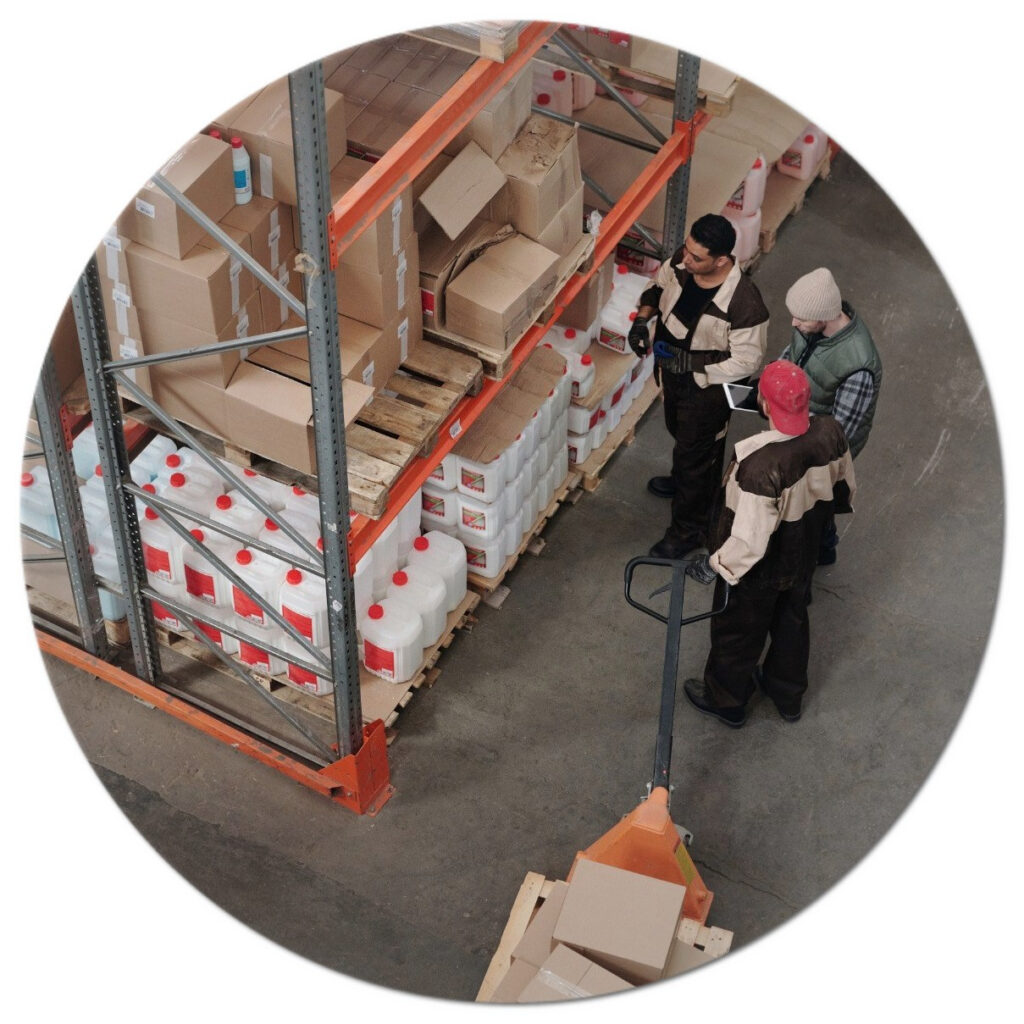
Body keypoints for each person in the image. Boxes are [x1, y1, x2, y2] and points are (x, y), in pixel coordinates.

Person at [681, 360, 856, 728]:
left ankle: (726, 700)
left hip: (760, 569)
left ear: (763, 403)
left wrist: (716, 565)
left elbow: (749, 539)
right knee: (792, 618)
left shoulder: (758, 464)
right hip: (803, 550)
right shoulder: (831, 431)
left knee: (738, 631)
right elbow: (844, 487)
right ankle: (787, 695)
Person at [628, 213, 769, 560]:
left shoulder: (744, 303)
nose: (685, 259)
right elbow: (657, 287)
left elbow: (747, 361)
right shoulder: (683, 262)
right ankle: (685, 483)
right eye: (687, 251)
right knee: (679, 434)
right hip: (673, 374)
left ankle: (689, 531)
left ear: (721, 260)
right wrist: (642, 321)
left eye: (696, 257)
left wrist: (691, 366)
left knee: (698, 456)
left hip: (707, 391)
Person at [779, 267, 881, 564]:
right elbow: (794, 353)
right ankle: (821, 541)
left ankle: (819, 550)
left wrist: (790, 418)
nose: (793, 322)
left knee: (815, 503)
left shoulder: (858, 365)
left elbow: (837, 434)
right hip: (800, 429)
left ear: (825, 316)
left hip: (823, 449)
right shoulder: (810, 323)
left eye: (801, 318)